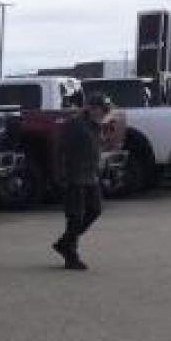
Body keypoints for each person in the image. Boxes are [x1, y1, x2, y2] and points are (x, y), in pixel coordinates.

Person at [53, 94, 113, 271]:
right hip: (75, 175)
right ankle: (71, 254)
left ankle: (64, 242)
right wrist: (60, 173)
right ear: (92, 108)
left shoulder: (96, 126)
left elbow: (96, 148)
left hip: (91, 174)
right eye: (102, 109)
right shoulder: (75, 124)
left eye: (105, 110)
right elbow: (60, 149)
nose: (104, 113)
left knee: (95, 210)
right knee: (75, 216)